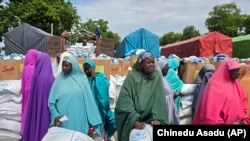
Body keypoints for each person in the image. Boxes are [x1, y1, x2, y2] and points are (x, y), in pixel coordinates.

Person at [115, 51, 168, 141]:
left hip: (151, 120)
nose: (151, 65)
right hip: (135, 120)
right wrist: (134, 120)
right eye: (148, 62)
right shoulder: (132, 77)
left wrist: (157, 118)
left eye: (153, 62)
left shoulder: (156, 76)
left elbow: (159, 99)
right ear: (141, 63)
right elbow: (125, 100)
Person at [48, 53, 103, 136]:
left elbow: (89, 101)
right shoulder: (59, 81)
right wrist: (56, 115)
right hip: (64, 122)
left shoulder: (82, 79)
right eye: (62, 65)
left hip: (80, 121)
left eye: (67, 65)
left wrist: (92, 120)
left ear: (73, 66)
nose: (64, 68)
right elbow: (51, 103)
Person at [193, 59, 250, 124]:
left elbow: (242, 102)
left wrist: (242, 119)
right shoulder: (214, 87)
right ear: (228, 71)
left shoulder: (236, 85)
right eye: (236, 71)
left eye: (238, 71)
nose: (239, 73)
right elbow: (210, 113)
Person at [22, 53, 55, 141]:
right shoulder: (50, 78)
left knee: (35, 122)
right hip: (46, 110)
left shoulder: (36, 76)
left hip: (36, 107)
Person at [83, 59, 116, 141]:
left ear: (93, 68)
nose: (87, 71)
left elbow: (103, 96)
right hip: (88, 110)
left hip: (99, 109)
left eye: (88, 69)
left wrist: (95, 79)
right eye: (85, 69)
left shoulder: (100, 78)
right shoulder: (84, 80)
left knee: (98, 133)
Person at [21, 49, 40, 135]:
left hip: (25, 92)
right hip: (30, 93)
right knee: (30, 111)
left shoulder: (25, 67)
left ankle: (23, 129)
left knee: (25, 109)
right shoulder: (32, 68)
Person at [155, 58, 179, 125]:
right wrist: (172, 95)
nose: (167, 71)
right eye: (166, 69)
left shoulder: (164, 80)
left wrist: (172, 95)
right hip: (162, 111)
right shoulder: (158, 81)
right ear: (161, 69)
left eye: (168, 69)